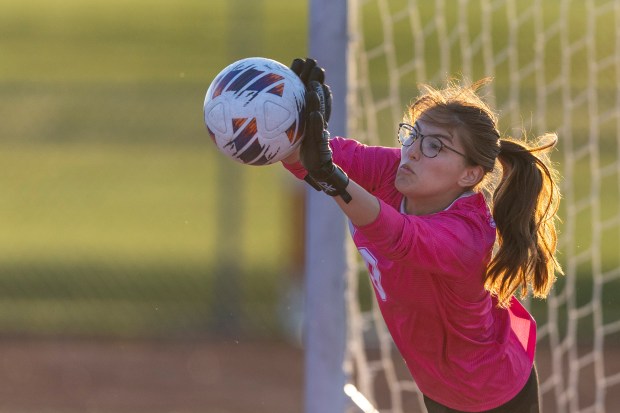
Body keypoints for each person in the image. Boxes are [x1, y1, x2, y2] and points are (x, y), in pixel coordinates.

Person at [283, 58, 563, 413]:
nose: (413, 151)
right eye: (414, 135)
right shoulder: (395, 171)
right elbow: (305, 159)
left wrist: (330, 175)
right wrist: (289, 119)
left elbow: (397, 236)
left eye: (435, 146)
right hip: (437, 384)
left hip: (490, 392)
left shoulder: (468, 235)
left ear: (469, 175)